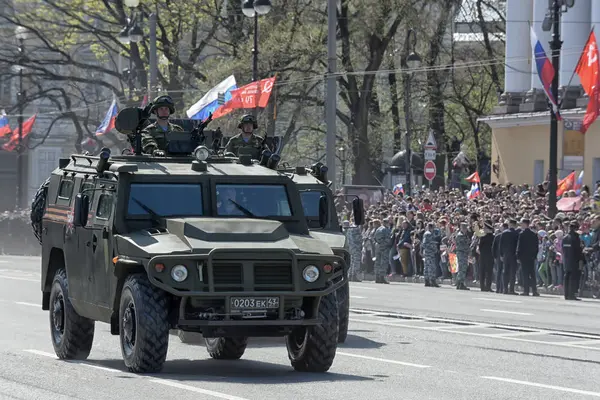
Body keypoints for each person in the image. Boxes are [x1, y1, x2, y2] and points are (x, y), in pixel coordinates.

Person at [516, 218, 540, 296]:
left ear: (525, 224)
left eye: (522, 224)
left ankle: (526, 290)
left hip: (523, 257)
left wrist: (518, 256)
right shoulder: (533, 234)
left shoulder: (522, 234)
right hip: (531, 257)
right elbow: (536, 247)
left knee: (525, 274)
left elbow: (519, 246)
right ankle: (534, 291)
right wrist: (534, 255)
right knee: (532, 274)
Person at [562, 221, 583, 301]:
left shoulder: (565, 238)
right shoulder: (575, 237)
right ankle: (572, 294)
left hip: (566, 259)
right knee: (573, 277)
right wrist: (581, 259)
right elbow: (578, 250)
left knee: (566, 276)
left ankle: (566, 294)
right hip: (574, 260)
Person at [421, 222, 440, 287]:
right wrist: (434, 248)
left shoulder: (427, 233)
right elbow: (426, 243)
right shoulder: (428, 234)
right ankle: (432, 281)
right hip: (429, 252)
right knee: (431, 266)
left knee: (426, 266)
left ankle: (427, 280)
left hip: (427, 252)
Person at [478, 221, 495, 292]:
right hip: (490, 256)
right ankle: (488, 286)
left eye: (485, 228)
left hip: (483, 256)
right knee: (489, 272)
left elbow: (480, 247)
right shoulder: (493, 237)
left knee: (482, 272)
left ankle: (482, 287)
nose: (483, 229)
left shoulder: (483, 237)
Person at [455, 222, 470, 290]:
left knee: (463, 268)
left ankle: (460, 283)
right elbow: (463, 245)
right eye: (464, 228)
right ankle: (460, 283)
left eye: (465, 228)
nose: (465, 229)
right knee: (462, 268)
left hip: (464, 253)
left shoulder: (465, 235)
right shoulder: (460, 235)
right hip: (461, 253)